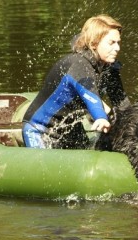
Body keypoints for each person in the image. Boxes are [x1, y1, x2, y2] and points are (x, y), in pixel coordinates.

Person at [22, 14, 131, 149]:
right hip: (39, 130)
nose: (117, 48)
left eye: (118, 42)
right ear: (94, 44)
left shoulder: (109, 68)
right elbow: (91, 96)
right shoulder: (79, 65)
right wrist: (101, 117)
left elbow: (122, 103)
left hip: (71, 128)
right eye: (111, 43)